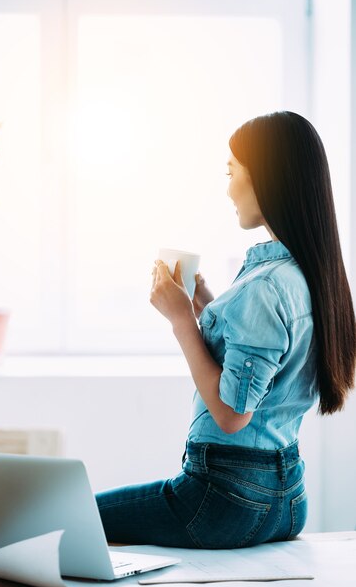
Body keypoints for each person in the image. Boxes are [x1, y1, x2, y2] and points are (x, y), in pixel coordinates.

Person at [96, 111, 356, 549]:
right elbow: (263, 359)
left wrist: (182, 321)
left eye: (232, 171)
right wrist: (207, 307)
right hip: (287, 498)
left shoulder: (266, 286)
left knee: (69, 518)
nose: (228, 188)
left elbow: (232, 415)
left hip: (225, 499)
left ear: (266, 179)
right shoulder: (311, 276)